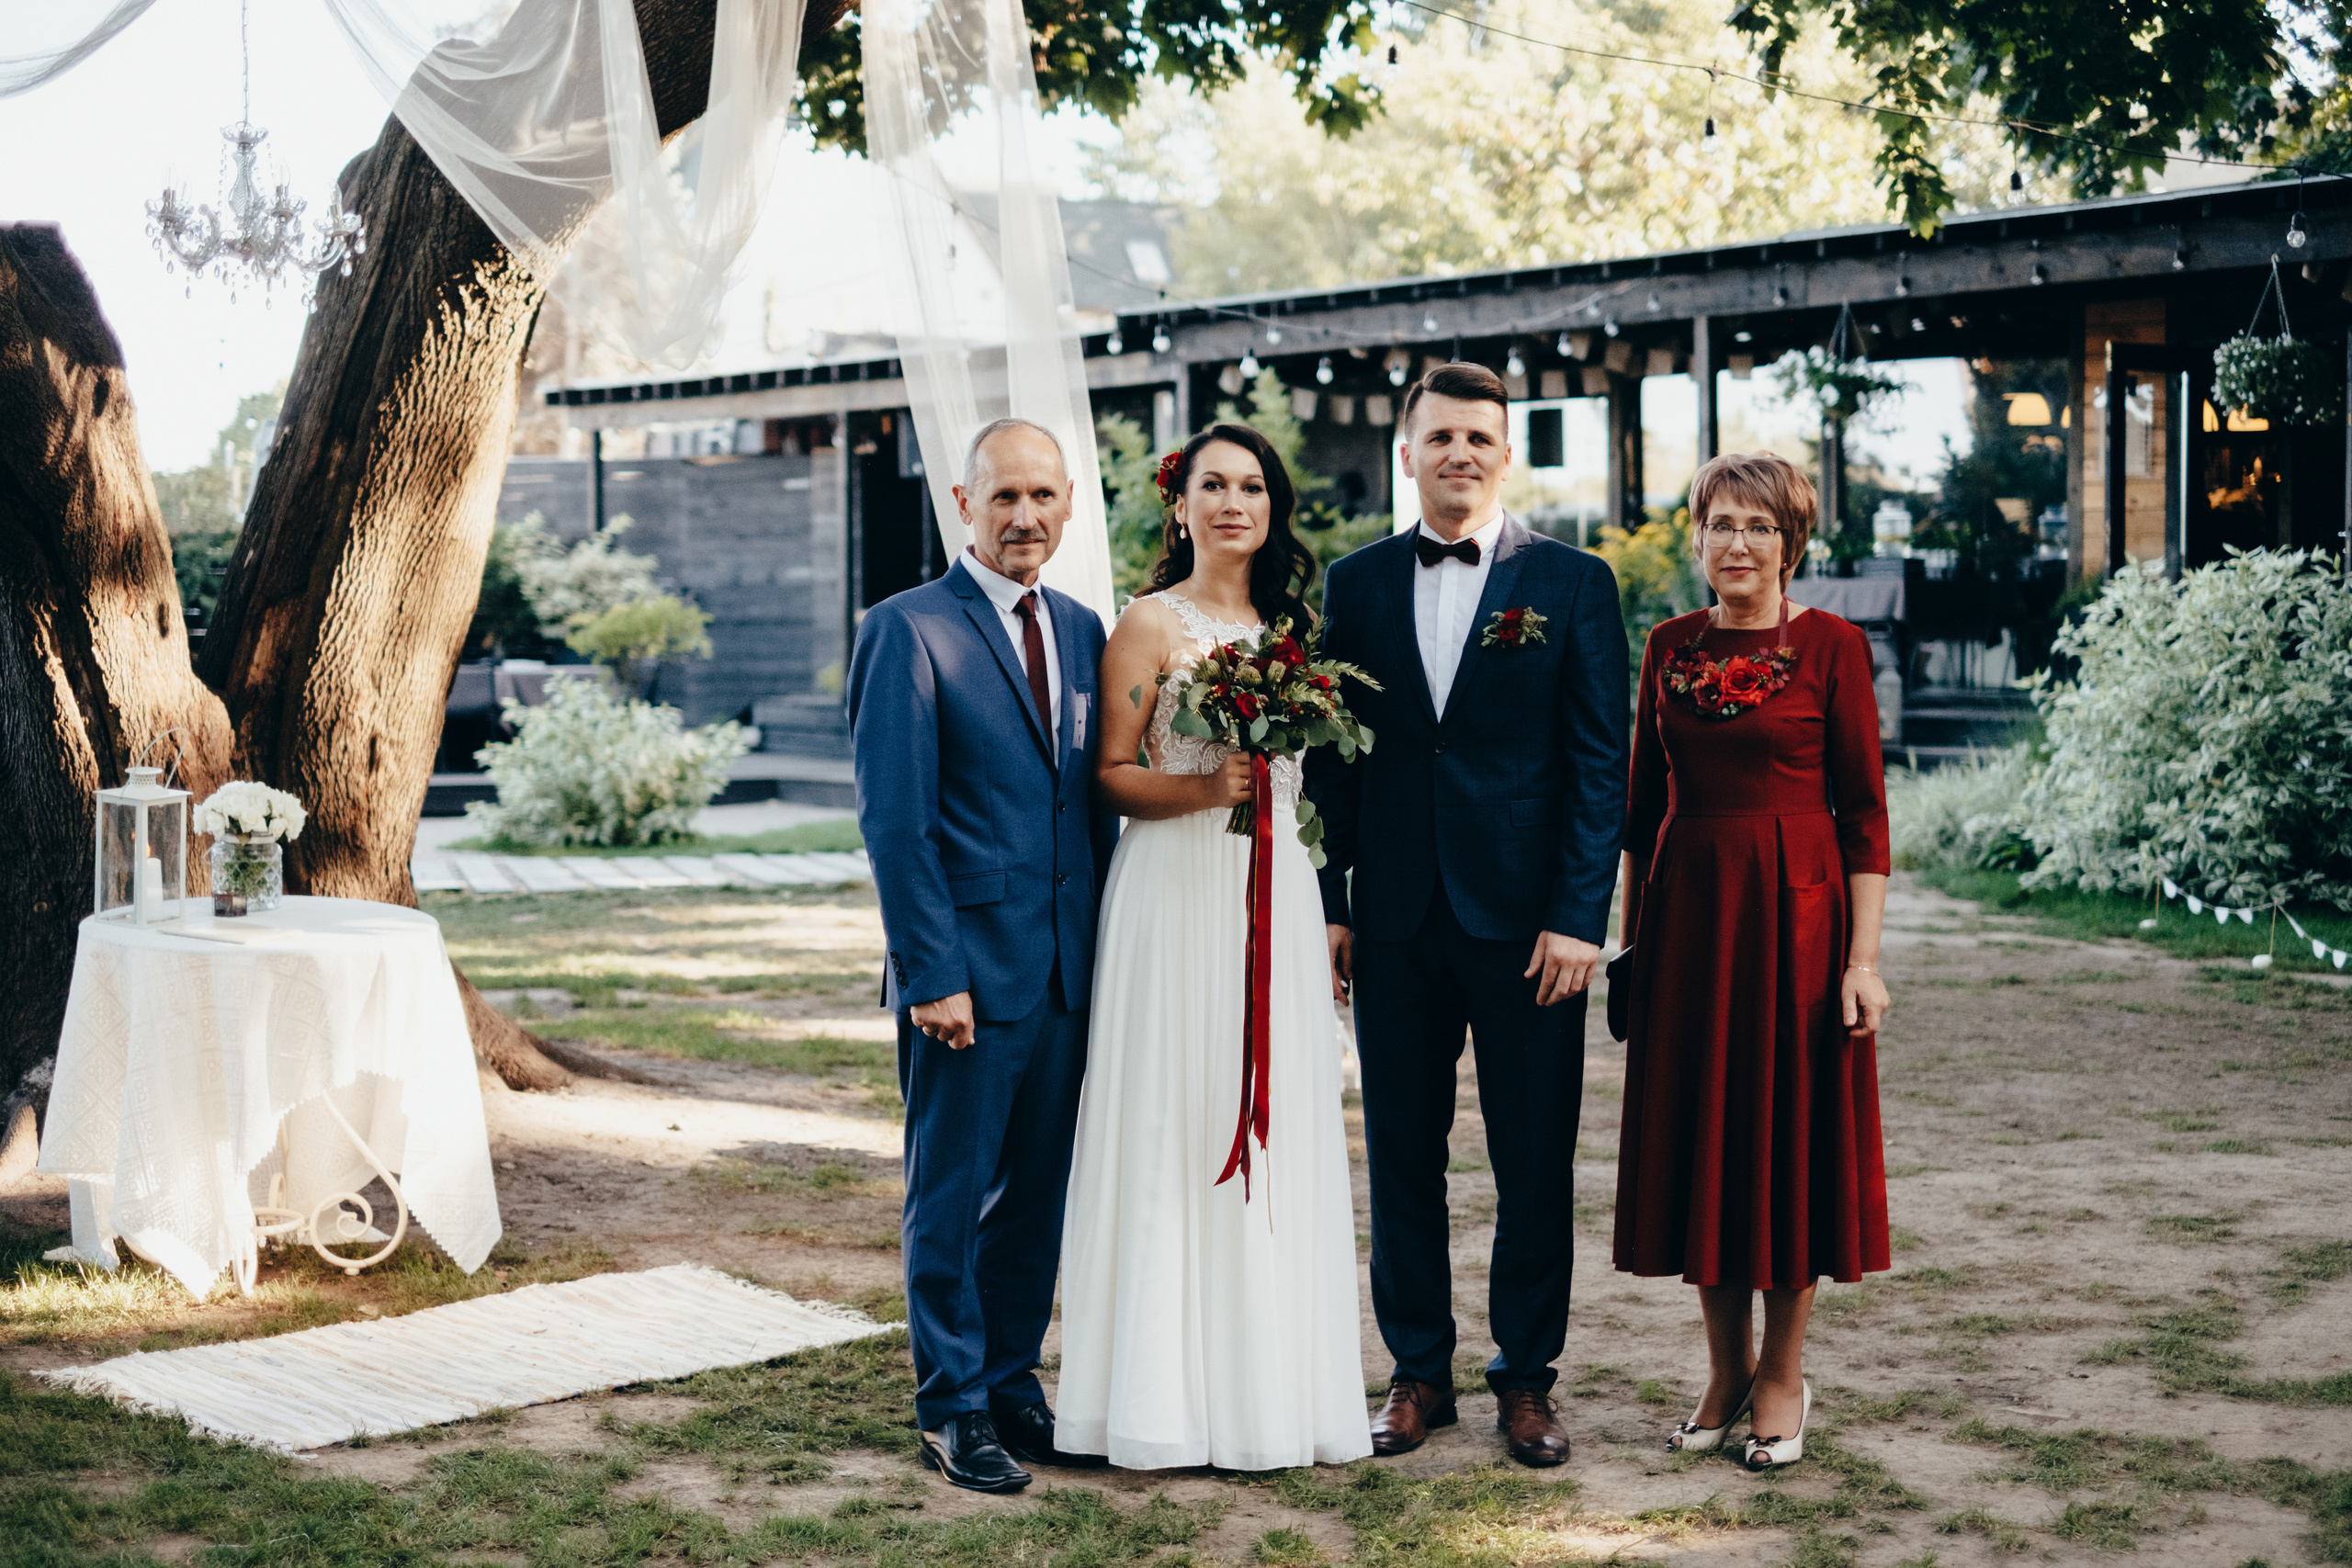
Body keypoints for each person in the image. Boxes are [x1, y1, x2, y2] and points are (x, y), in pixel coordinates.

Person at [1306, 363, 1629, 1468]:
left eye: (1479, 440)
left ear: (1506, 454)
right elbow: (1330, 762)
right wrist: (1331, 900)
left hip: (1529, 925)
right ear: (1408, 455)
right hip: (1394, 918)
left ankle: (1526, 1381)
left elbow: (1598, 765)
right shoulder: (1352, 585)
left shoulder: (1574, 584)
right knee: (1402, 1152)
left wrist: (1580, 916)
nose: (1459, 455)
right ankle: (1416, 1373)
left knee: (1533, 1157)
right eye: (1439, 438)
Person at [1054, 423, 1373, 1472]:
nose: (1233, 502)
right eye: (1211, 486)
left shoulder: (1291, 627)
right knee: (1174, 1117)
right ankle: (1159, 1398)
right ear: (1178, 505)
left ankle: (1268, 1392)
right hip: (1176, 890)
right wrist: (1205, 788)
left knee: (1270, 1113)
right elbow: (1106, 773)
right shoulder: (1147, 625)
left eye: (1251, 486)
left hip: (1276, 888)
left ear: (1273, 507)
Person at [847, 417, 1119, 1494]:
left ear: (1066, 507)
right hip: (963, 974)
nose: (1024, 517)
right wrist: (932, 975)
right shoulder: (907, 629)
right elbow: (896, 823)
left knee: (1037, 1195)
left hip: (1064, 970)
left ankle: (1011, 1383)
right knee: (951, 1195)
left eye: (1043, 497)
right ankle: (950, 1407)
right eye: (1003, 497)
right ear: (963, 505)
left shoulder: (1091, 630)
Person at [1612, 450, 1894, 1473]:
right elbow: (1640, 814)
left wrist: (1861, 962)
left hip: (1798, 927)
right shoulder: (1666, 647)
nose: (1737, 543)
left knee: (1784, 1148)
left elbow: (1863, 816)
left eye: (1758, 528)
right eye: (1720, 524)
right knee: (1704, 1144)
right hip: (1689, 924)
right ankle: (1723, 1370)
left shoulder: (1832, 648)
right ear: (1696, 537)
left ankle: (1782, 1374)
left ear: (1792, 544)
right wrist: (1633, 945)